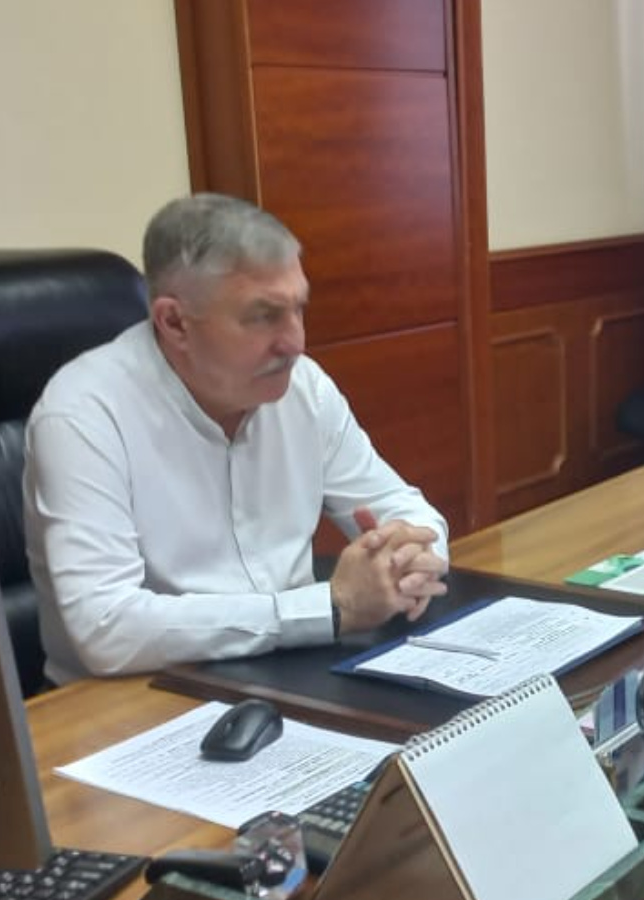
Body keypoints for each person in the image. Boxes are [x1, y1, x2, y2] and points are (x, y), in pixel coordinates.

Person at [26, 193, 450, 684]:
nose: (295, 343)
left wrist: (409, 560)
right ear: (174, 323)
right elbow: (105, 627)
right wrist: (329, 607)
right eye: (263, 316)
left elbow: (404, 508)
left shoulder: (304, 388)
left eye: (299, 308)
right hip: (141, 697)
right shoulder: (83, 414)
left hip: (294, 670)